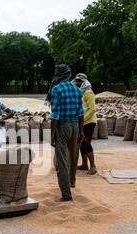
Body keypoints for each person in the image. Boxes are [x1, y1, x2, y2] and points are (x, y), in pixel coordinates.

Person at [49, 64, 84, 202]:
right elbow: (81, 113)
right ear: (69, 75)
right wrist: (81, 131)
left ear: (58, 75)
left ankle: (66, 194)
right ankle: (72, 182)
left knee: (62, 161)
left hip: (62, 126)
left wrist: (51, 135)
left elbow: (55, 114)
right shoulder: (77, 90)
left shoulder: (56, 89)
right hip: (75, 125)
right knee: (74, 156)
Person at [74, 73, 98, 175]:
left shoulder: (88, 92)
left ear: (84, 82)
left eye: (80, 81)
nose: (77, 83)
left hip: (89, 122)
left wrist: (82, 120)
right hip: (82, 122)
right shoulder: (80, 92)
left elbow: (92, 109)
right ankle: (84, 164)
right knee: (81, 143)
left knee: (86, 143)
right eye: (77, 81)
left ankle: (93, 166)